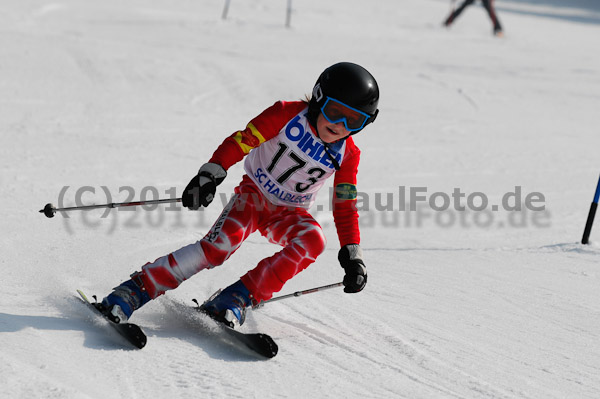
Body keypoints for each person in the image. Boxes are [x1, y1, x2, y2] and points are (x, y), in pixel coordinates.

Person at [97, 62, 380, 328]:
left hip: (289, 213)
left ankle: (236, 298)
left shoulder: (348, 155)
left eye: (354, 120)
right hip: (253, 197)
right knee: (218, 247)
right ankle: (135, 289)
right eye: (334, 112)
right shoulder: (286, 114)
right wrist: (210, 173)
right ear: (318, 98)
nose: (341, 125)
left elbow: (345, 206)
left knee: (313, 240)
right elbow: (242, 140)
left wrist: (353, 255)